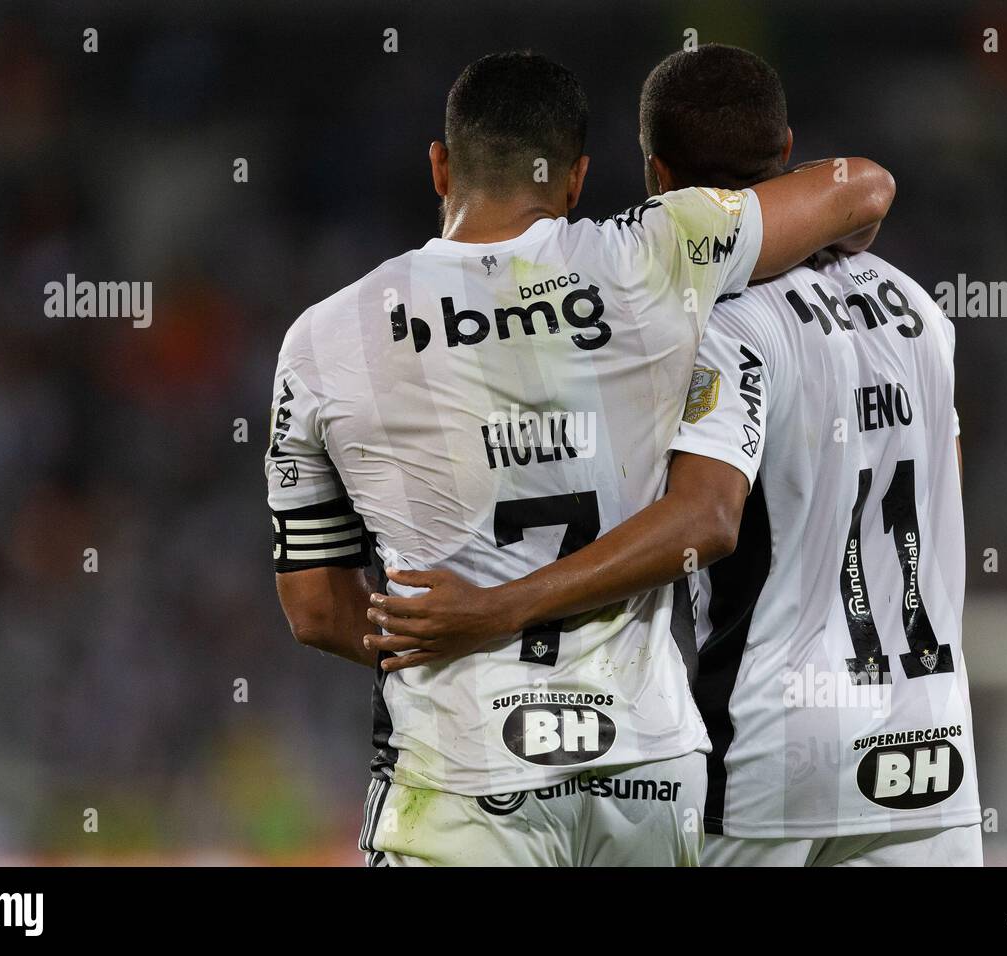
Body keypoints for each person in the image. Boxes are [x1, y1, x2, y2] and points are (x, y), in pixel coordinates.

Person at [266, 50, 895, 866]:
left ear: (439, 166)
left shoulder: (324, 338)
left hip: (463, 772)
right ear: (575, 179)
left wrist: (445, 628)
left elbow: (315, 608)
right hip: (649, 763)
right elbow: (863, 187)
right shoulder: (653, 255)